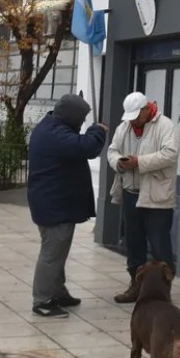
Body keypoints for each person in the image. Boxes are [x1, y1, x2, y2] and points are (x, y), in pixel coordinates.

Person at [27, 94, 107, 318]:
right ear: (72, 116)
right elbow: (87, 147)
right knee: (52, 253)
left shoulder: (51, 126)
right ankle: (42, 300)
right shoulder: (55, 134)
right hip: (54, 205)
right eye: (81, 118)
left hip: (53, 202)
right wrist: (97, 130)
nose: (82, 122)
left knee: (58, 252)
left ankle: (58, 292)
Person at [108, 92, 179, 304]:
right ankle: (136, 286)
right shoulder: (125, 127)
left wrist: (139, 161)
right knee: (134, 243)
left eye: (137, 116)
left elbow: (170, 154)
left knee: (160, 246)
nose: (134, 121)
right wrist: (119, 162)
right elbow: (112, 150)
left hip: (156, 197)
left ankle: (162, 291)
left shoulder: (165, 125)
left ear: (147, 108)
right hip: (131, 194)